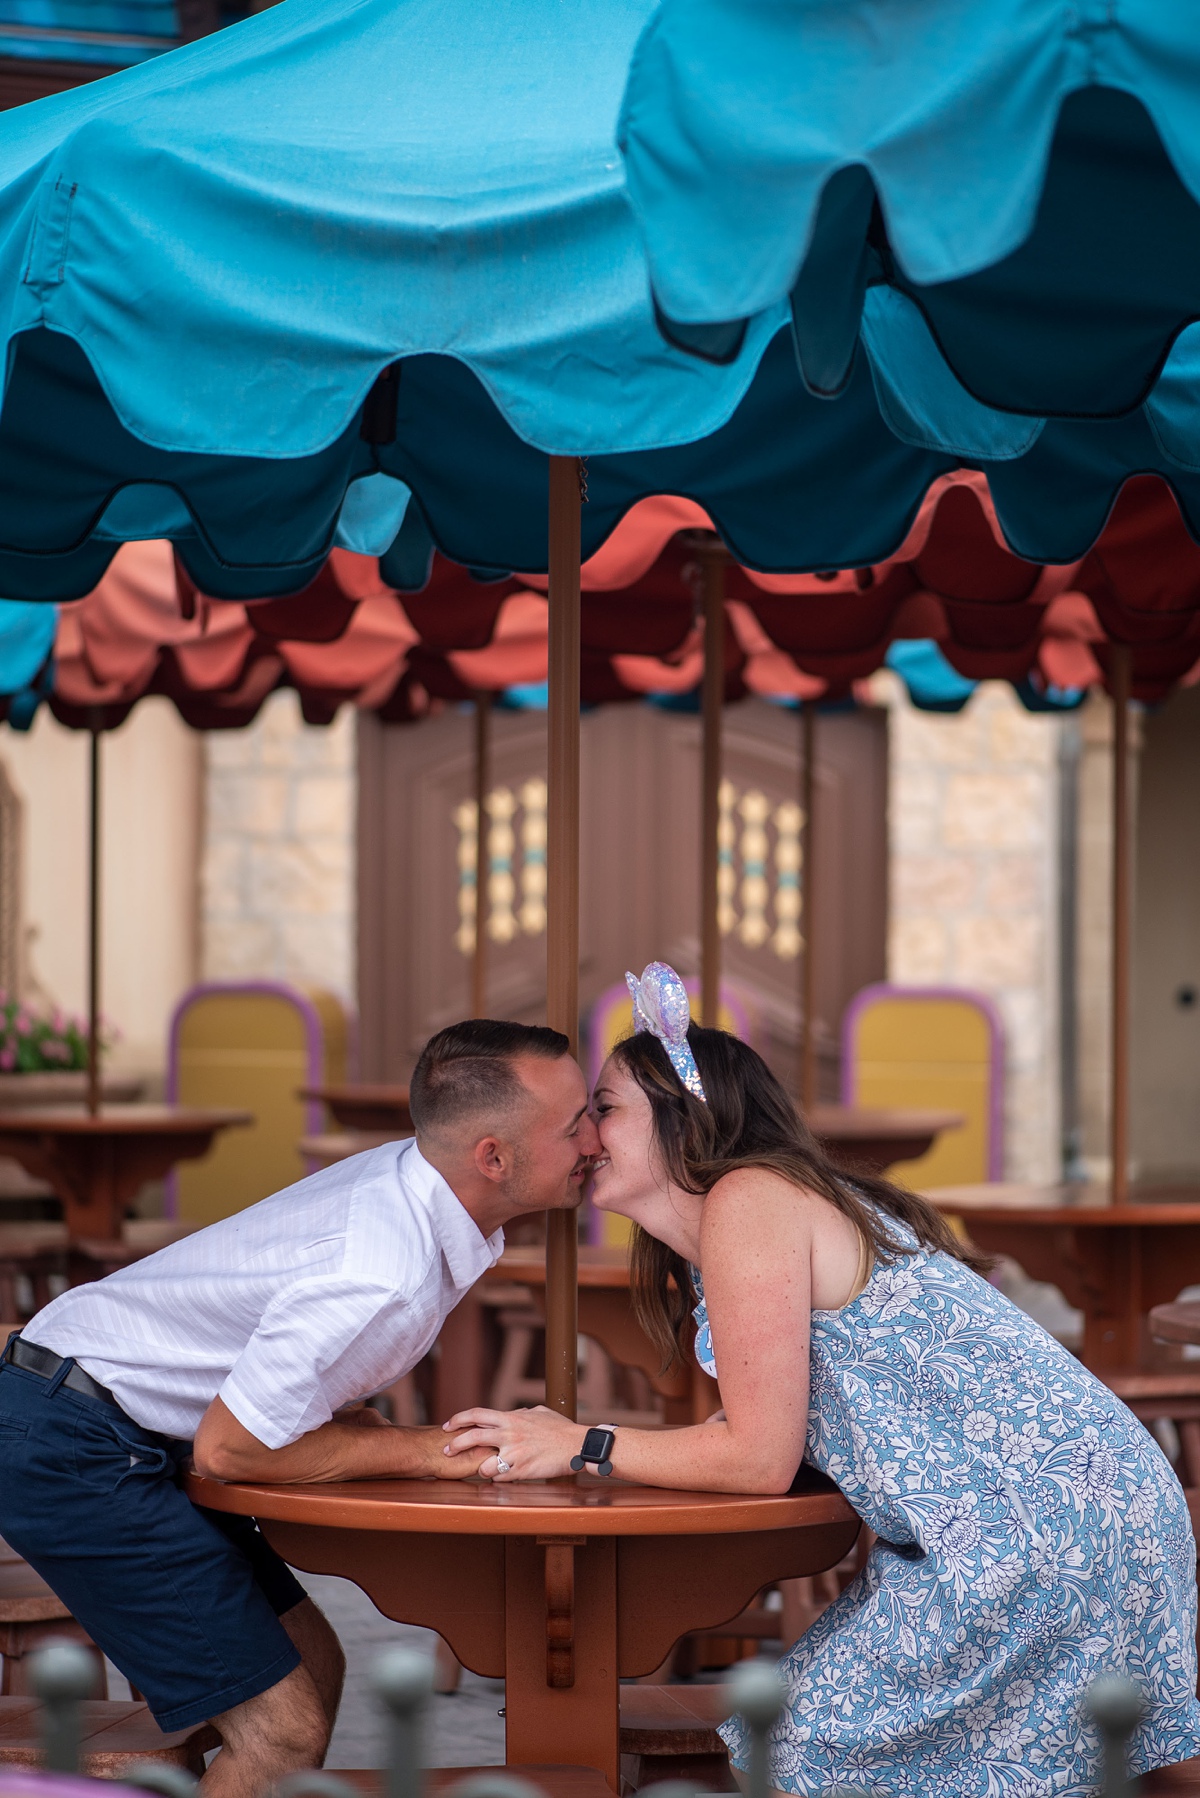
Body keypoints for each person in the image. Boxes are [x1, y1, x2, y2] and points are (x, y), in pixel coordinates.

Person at [446, 963, 1200, 1795]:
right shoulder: (756, 1212)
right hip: (1088, 1513)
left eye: (606, 1108)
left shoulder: (750, 1200)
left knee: (797, 1748)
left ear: (683, 1118)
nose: (586, 1135)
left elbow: (756, 1459)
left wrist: (582, 1444)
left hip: (1035, 1533)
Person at [0, 1018, 599, 1798]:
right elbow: (230, 1452)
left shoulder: (411, 1189)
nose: (596, 1139)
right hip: (69, 1440)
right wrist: (422, 1450)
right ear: (493, 1157)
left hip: (112, 1421)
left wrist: (368, 1434)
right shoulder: (380, 1271)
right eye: (577, 1121)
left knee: (315, 1665)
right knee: (281, 1732)